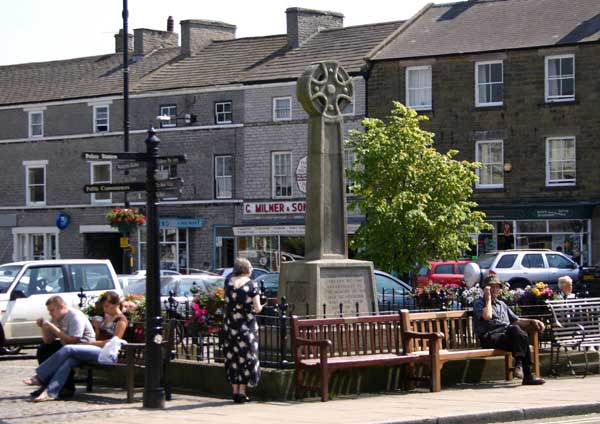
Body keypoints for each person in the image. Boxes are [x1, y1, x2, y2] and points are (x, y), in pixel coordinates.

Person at [23, 291, 128, 402]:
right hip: (96, 350)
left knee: (68, 348)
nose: (105, 309)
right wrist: (97, 328)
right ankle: (51, 392)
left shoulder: (121, 320)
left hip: (107, 353)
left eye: (107, 306)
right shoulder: (106, 318)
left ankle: (40, 377)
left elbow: (114, 342)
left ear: (116, 304)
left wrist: (89, 344)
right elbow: (97, 337)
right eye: (104, 306)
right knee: (67, 361)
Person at [473, 275, 546, 385]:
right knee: (520, 335)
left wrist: (532, 321)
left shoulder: (501, 304)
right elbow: (487, 316)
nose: (495, 289)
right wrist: (488, 299)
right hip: (490, 337)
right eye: (491, 287)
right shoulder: (479, 303)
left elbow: (516, 320)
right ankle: (527, 373)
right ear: (484, 289)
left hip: (507, 337)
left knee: (519, 333)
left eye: (497, 287)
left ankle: (519, 364)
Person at [33, 296, 95, 398]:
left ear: (61, 307)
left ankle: (66, 387)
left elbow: (73, 340)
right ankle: (47, 384)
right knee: (44, 349)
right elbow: (48, 341)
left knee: (64, 355)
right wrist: (44, 328)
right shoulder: (56, 317)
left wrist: (54, 329)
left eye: (52, 310)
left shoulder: (75, 316)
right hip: (67, 346)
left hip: (84, 346)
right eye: (49, 311)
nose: (50, 313)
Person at [223, 257, 265, 403]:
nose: (252, 270)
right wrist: (263, 305)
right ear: (247, 270)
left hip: (230, 325)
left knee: (233, 357)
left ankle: (234, 391)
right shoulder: (252, 285)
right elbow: (258, 308)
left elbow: (226, 301)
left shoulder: (228, 283)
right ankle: (242, 392)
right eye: (251, 267)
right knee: (247, 357)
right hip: (246, 326)